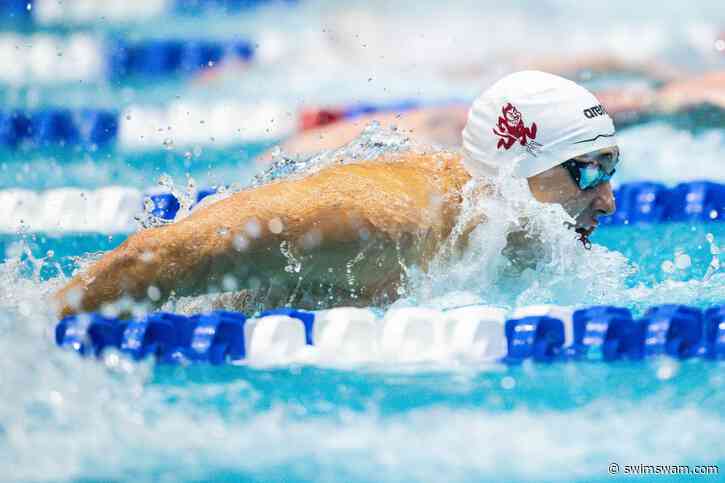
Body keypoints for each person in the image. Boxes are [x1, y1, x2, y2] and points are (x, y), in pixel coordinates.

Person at [54, 71, 618, 317]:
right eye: (588, 172)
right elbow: (161, 255)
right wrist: (36, 326)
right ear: (516, 169)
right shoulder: (379, 224)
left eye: (610, 169)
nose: (608, 200)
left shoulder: (488, 218)